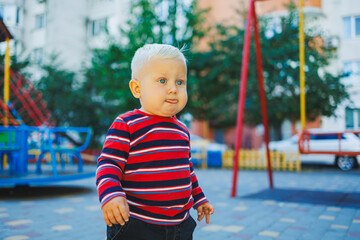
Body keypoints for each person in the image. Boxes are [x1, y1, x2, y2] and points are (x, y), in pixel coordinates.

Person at [96, 43, 214, 240]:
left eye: (180, 82)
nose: (173, 89)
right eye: (162, 80)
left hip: (179, 225)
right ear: (137, 88)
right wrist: (112, 195)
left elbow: (186, 170)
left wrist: (199, 198)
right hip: (137, 223)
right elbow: (108, 164)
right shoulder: (127, 124)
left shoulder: (182, 130)